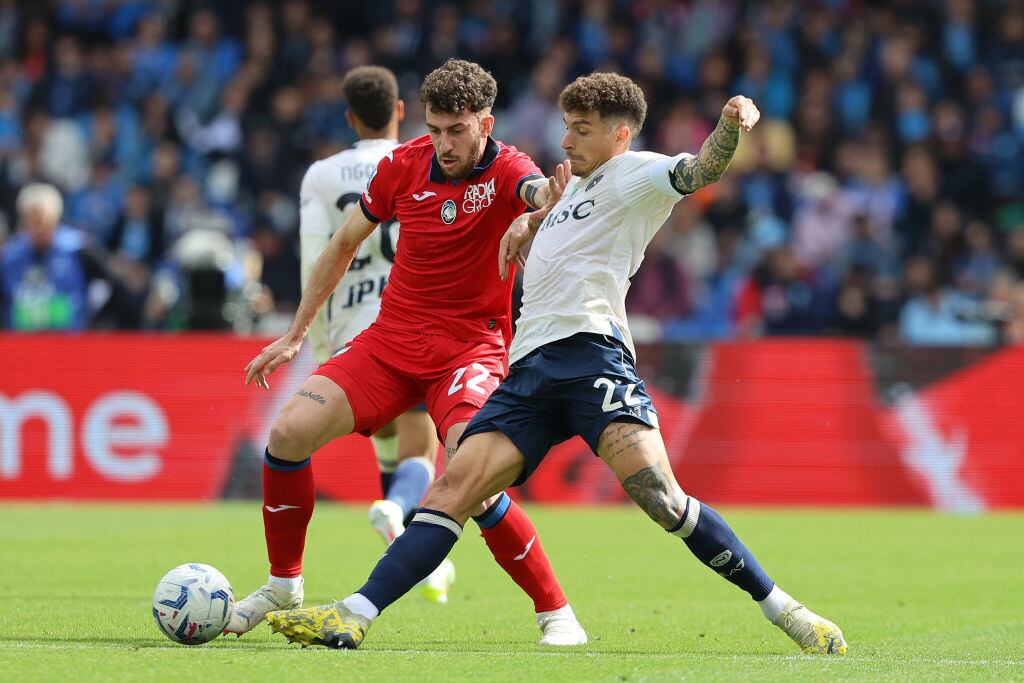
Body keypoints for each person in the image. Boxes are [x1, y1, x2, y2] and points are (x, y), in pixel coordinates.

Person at [265, 73, 848, 656]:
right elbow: (554, 210)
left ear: (619, 135)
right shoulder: (574, 190)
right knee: (453, 488)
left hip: (594, 359)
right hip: (529, 373)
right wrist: (530, 223)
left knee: (661, 498)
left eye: (581, 130)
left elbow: (699, 171)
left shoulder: (637, 173)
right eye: (566, 128)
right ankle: (353, 615)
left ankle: (785, 610)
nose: (565, 142)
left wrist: (729, 125)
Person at [235, 59, 587, 646]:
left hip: (468, 351)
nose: (444, 145)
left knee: (474, 478)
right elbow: (343, 244)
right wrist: (296, 333)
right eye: (435, 129)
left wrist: (541, 206)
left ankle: (557, 613)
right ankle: (283, 584)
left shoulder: (509, 168)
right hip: (390, 341)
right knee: (287, 433)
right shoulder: (402, 165)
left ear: (485, 123)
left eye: (457, 131)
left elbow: (533, 193)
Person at [299, 65, 454, 606]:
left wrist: (315, 342)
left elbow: (319, 254)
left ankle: (403, 533)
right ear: (401, 111)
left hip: (348, 327)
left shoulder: (321, 176)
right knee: (421, 447)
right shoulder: (423, 160)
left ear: (348, 117)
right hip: (408, 317)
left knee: (387, 438)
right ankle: (399, 510)